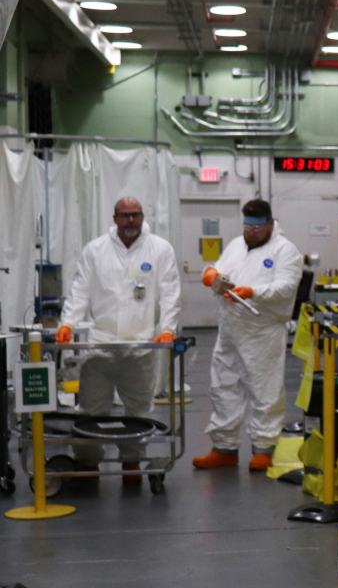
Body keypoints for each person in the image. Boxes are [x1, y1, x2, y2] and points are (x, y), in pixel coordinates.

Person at [57, 196, 181, 483]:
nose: (130, 221)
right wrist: (67, 323)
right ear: (114, 218)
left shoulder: (159, 249)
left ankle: (132, 464)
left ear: (142, 215)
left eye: (135, 214)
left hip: (140, 347)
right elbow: (80, 291)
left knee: (139, 411)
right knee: (91, 408)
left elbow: (170, 292)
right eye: (124, 215)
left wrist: (168, 328)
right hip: (100, 346)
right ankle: (88, 463)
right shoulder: (96, 250)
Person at [193, 199, 302, 472]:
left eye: (256, 228)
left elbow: (286, 287)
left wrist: (252, 292)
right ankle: (224, 448)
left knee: (264, 390)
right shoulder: (235, 245)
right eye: (247, 227)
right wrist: (212, 272)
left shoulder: (285, 251)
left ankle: (263, 449)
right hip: (229, 330)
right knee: (223, 387)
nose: (250, 233)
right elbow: (220, 267)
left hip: (262, 331)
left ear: (269, 224)